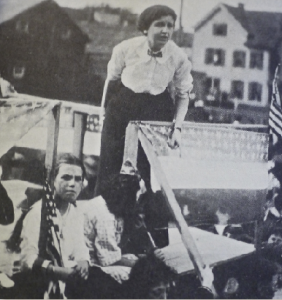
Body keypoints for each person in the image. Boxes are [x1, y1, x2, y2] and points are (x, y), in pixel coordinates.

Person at [95, 4, 193, 195]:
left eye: (170, 25)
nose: (165, 30)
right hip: (122, 107)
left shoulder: (178, 56)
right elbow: (111, 81)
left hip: (157, 110)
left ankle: (145, 222)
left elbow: (183, 94)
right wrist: (104, 114)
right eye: (159, 25)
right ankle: (104, 217)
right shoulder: (125, 48)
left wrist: (178, 127)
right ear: (146, 28)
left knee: (150, 174)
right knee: (109, 166)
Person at [18, 153, 90, 299]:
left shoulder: (75, 213)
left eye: (78, 179)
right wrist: (57, 271)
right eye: (66, 177)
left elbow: (80, 246)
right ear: (53, 180)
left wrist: (83, 261)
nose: (72, 184)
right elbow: (27, 260)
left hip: (64, 285)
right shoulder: (39, 212)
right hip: (37, 286)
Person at [82, 160, 144, 298]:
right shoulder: (103, 214)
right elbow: (108, 259)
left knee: (133, 260)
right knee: (137, 275)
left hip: (96, 260)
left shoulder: (105, 204)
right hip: (89, 267)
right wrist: (142, 263)